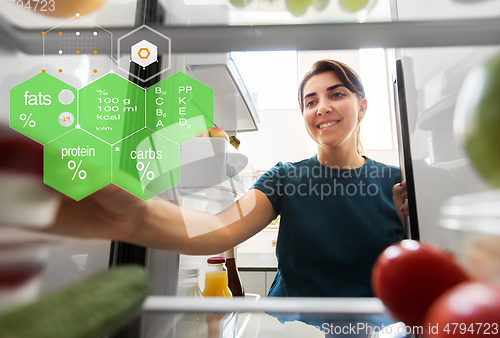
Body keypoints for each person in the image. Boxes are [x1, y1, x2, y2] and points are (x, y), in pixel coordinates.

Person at [45, 59, 409, 299]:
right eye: (310, 101)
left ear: (362, 106)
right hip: (290, 330)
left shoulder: (396, 183)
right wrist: (134, 216)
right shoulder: (284, 177)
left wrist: (411, 225)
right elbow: (220, 230)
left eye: (337, 94)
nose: (322, 108)